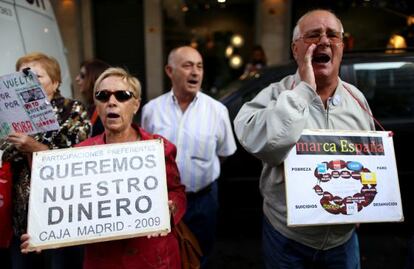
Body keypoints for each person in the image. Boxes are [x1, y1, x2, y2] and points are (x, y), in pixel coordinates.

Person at [233, 9, 375, 269]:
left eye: (332, 35)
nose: (324, 41)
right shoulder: (274, 94)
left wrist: (366, 201)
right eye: (313, 35)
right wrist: (303, 92)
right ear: (295, 49)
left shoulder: (357, 99)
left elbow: (368, 157)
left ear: (342, 47)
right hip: (288, 241)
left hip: (342, 242)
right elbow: (265, 145)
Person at [63, 67, 185, 268]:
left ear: (136, 104)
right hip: (103, 260)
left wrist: (171, 208)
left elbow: (177, 190)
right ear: (97, 105)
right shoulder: (80, 153)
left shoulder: (158, 148)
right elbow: (67, 204)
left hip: (153, 258)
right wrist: (42, 234)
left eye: (122, 96)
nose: (112, 102)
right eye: (103, 96)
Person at [141, 46, 237, 266]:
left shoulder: (217, 111)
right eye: (187, 65)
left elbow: (223, 153)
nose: (195, 72)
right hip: (164, 201)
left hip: (204, 199)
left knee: (201, 256)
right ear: (169, 70)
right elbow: (147, 154)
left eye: (199, 66)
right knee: (164, 256)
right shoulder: (151, 110)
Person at [2, 52, 91, 269]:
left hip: (62, 217)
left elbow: (77, 158)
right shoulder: (10, 113)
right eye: (23, 77)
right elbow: (5, 152)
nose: (28, 83)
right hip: (22, 219)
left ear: (55, 82)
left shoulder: (72, 110)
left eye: (37, 77)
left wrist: (35, 148)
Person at [75, 59, 110, 136]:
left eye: (83, 76)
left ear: (95, 79)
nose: (77, 78)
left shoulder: (107, 110)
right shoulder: (89, 108)